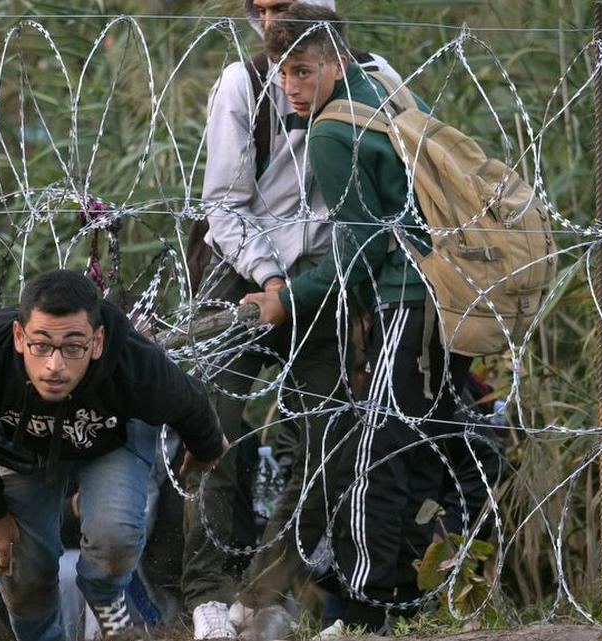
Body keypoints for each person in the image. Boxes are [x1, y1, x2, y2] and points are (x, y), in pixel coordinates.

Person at [241, 4, 473, 634]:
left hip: (408, 295)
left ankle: (362, 600)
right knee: (415, 441)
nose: (290, 86)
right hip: (446, 292)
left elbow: (360, 249)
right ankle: (409, 587)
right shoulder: (377, 92)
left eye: (303, 71)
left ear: (336, 60)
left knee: (375, 447)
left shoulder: (330, 132)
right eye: (281, 73)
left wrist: (284, 299)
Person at [183, 1, 398, 638]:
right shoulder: (245, 81)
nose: (270, 15)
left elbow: (390, 185)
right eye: (264, 8)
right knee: (212, 430)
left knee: (324, 438)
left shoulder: (375, 78)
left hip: (331, 275)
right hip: (243, 270)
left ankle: (267, 589)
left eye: (285, 5)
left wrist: (323, 289)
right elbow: (224, 202)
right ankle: (208, 594)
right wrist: (271, 280)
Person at [0, 270, 229, 641]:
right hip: (22, 450)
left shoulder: (131, 361)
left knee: (115, 539)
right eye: (40, 345)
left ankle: (105, 594)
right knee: (24, 572)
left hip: (112, 440)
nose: (54, 366)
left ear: (97, 342)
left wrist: (204, 450)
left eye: (73, 347)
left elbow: (191, 402)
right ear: (18, 337)